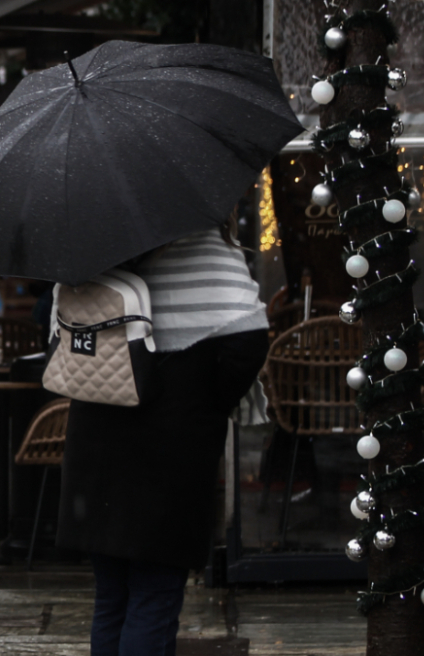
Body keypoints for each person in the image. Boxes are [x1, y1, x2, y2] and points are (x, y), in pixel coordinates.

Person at [55, 222, 270, 656]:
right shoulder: (205, 242)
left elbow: (61, 344)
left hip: (97, 437)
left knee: (111, 597)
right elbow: (247, 339)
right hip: (173, 441)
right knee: (155, 595)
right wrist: (208, 401)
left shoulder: (87, 248)